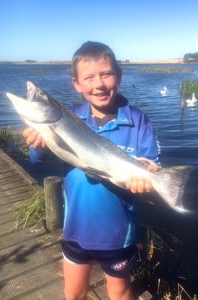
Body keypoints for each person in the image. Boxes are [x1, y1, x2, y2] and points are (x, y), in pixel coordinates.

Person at [23, 41, 159, 300]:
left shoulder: (138, 120)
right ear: (76, 84)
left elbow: (150, 163)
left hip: (118, 233)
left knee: (120, 293)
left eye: (106, 74)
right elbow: (37, 159)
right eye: (89, 78)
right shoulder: (68, 116)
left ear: (118, 75)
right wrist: (39, 143)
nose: (98, 84)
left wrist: (150, 174)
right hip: (75, 229)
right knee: (73, 294)